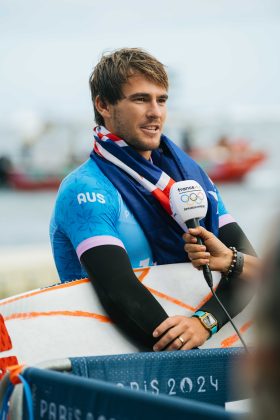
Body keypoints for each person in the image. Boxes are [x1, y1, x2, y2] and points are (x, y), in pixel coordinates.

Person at [50, 48, 258, 352]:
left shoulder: (192, 180)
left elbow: (249, 267)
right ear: (103, 105)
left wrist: (204, 322)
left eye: (161, 100)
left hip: (195, 351)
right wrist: (195, 364)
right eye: (140, 99)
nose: (155, 112)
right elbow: (118, 290)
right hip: (113, 358)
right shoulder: (85, 188)